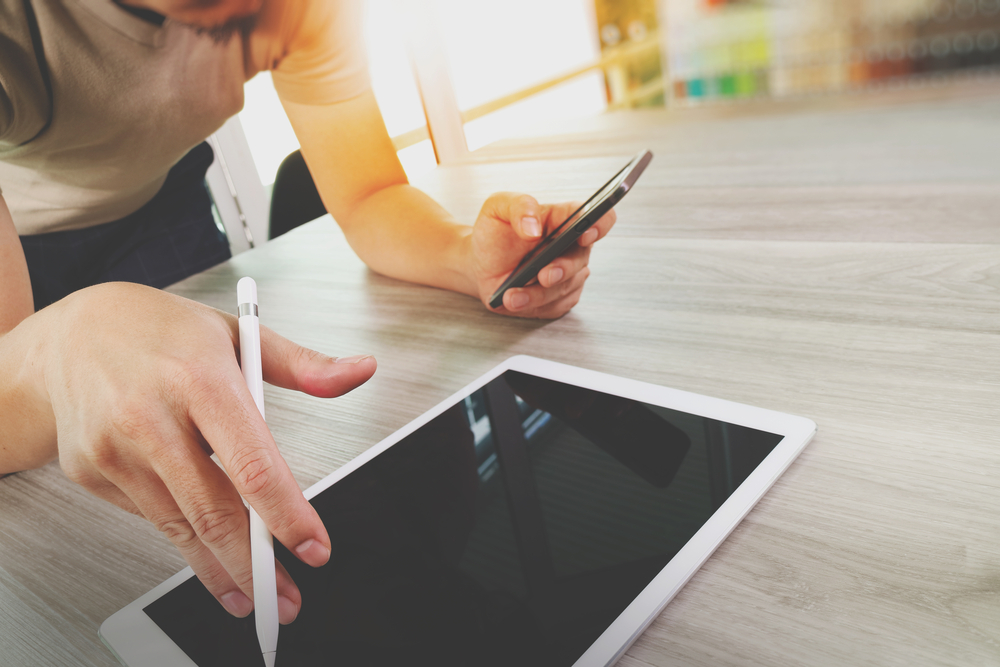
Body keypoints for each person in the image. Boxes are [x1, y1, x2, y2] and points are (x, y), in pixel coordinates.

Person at [0, 0, 617, 627]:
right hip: (21, 240)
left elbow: (371, 194)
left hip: (167, 193)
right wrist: (55, 349)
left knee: (212, 455)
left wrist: (466, 258)